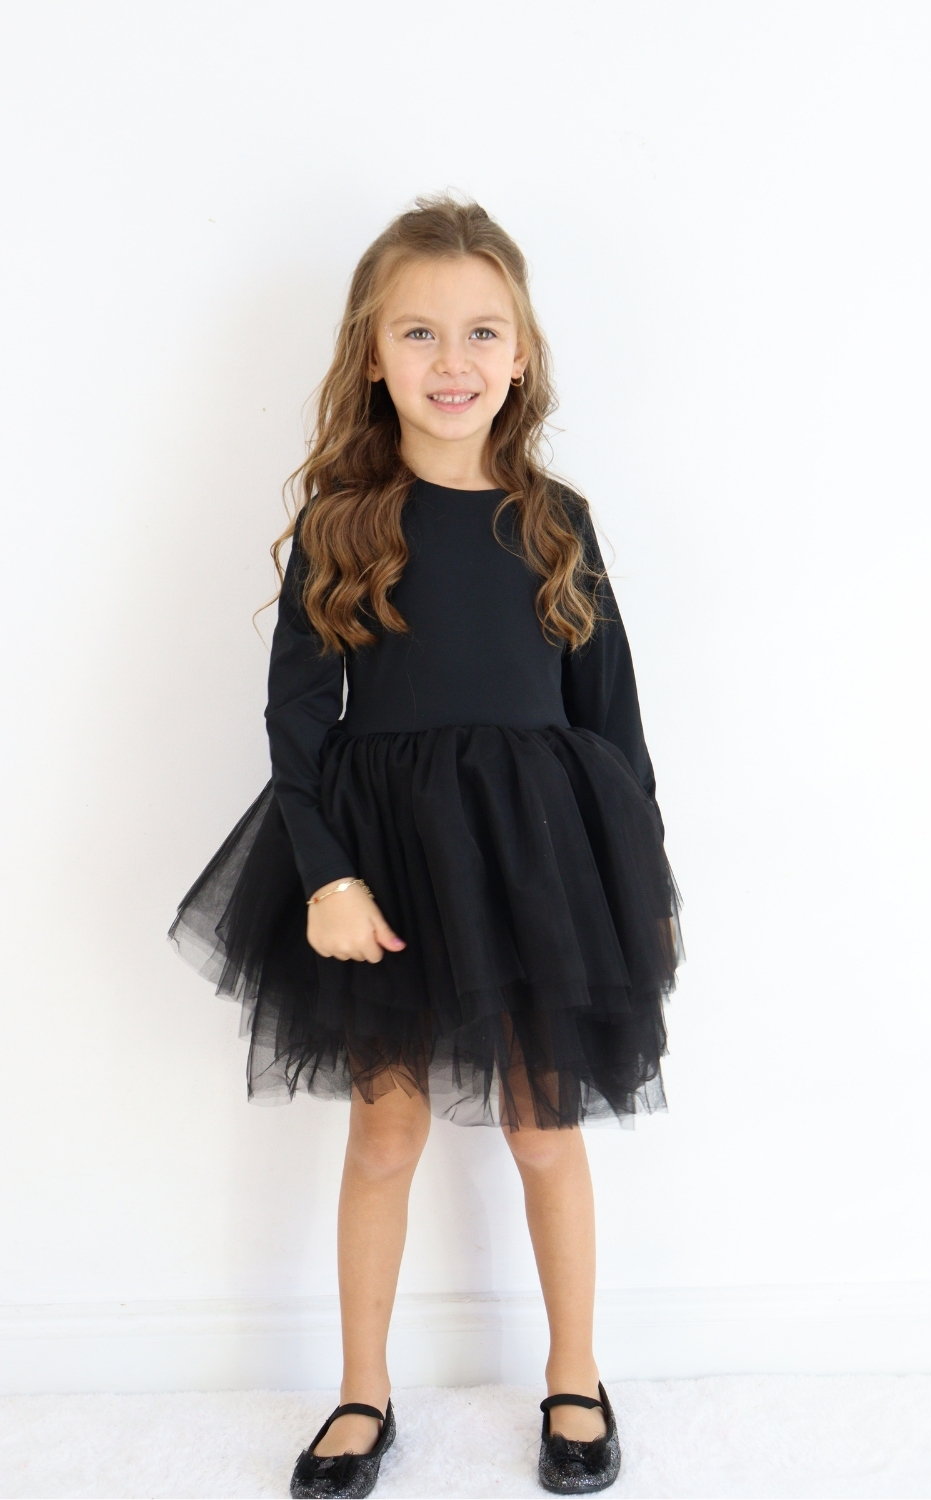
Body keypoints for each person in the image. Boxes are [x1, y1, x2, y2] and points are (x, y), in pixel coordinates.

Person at [170, 194, 684, 1498]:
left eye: (481, 331)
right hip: (387, 869)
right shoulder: (344, 521)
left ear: (521, 352)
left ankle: (576, 1373)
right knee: (385, 1136)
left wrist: (643, 883)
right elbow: (297, 723)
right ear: (372, 353)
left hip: (535, 866)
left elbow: (612, 718)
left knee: (543, 1130)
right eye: (419, 332)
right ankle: (362, 1390)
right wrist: (329, 874)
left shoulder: (556, 521)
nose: (452, 361)